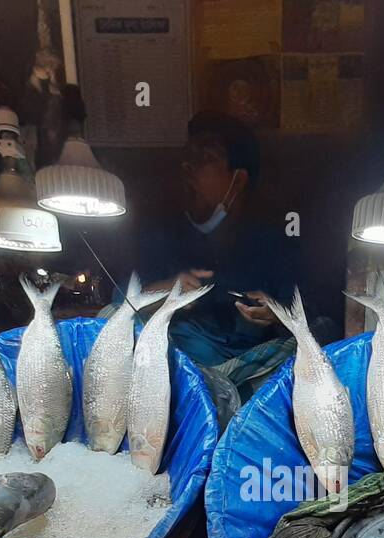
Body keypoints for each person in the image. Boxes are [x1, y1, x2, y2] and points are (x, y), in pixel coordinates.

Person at [135, 111, 330, 397]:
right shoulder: (164, 236)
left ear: (237, 181)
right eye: (189, 157)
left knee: (314, 341)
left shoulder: (272, 245)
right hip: (183, 376)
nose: (189, 167)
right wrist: (165, 293)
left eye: (207, 159)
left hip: (253, 372)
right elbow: (125, 302)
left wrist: (276, 314)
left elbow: (313, 315)